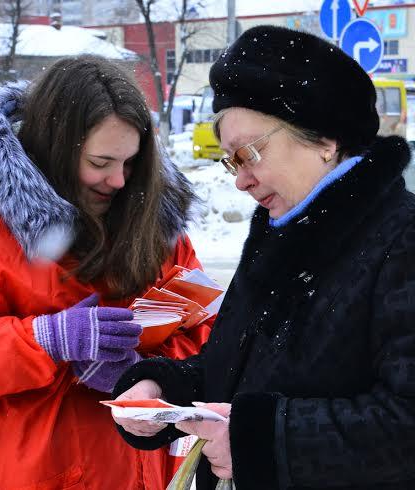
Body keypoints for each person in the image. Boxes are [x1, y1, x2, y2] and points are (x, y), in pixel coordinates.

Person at [112, 25, 415, 490]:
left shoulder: (402, 240)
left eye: (250, 153)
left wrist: (257, 440)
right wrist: (165, 393)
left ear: (326, 140)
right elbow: (240, 370)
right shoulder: (284, 228)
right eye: (232, 162)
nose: (241, 181)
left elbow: (404, 423)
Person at [0, 55, 212, 489]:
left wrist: (150, 375)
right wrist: (43, 341)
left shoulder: (160, 232)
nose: (118, 180)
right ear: (54, 147)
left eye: (130, 163)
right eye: (100, 162)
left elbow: (207, 333)